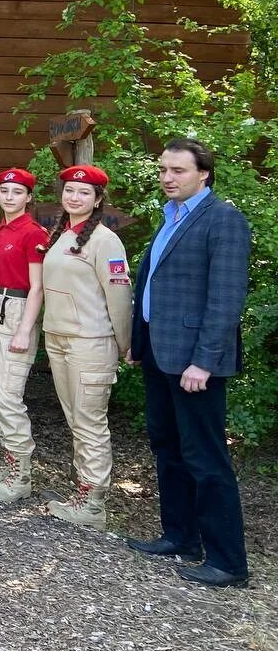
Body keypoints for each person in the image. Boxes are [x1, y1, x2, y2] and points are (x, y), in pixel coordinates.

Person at [126, 138, 250, 587]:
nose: (167, 177)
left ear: (203, 174)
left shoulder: (223, 220)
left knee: (205, 456)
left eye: (177, 170)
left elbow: (225, 300)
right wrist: (139, 343)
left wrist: (205, 362)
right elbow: (155, 286)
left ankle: (228, 562)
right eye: (163, 169)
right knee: (168, 447)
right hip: (161, 354)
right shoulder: (170, 218)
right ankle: (180, 536)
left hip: (195, 363)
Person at [40, 164, 132, 530]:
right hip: (59, 338)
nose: (74, 197)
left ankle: (93, 503)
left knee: (90, 423)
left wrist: (126, 345)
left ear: (97, 200)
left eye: (83, 193)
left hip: (90, 343)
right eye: (69, 191)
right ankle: (82, 491)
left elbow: (120, 298)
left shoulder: (106, 241)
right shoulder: (61, 234)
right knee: (75, 420)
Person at [0, 168, 49, 503]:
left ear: (29, 197)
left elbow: (37, 288)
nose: (9, 197)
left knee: (9, 394)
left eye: (17, 192)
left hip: (17, 307)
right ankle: (7, 464)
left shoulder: (32, 233)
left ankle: (21, 475)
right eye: (4, 192)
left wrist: (24, 329)